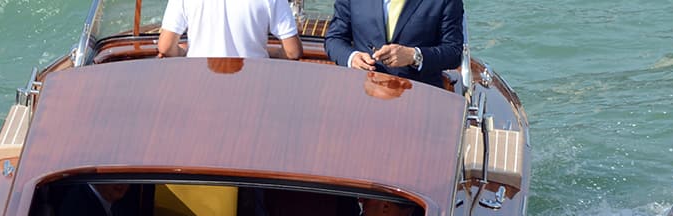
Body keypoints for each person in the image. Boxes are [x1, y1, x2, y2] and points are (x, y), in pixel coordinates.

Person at [324, 0, 464, 87]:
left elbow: (453, 52)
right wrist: (352, 57)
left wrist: (414, 56)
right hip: (362, 92)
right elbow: (334, 38)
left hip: (419, 95)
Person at [158, 0, 303, 60]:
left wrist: (185, 52)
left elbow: (165, 47)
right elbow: (293, 51)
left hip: (199, 84)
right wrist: (272, 52)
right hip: (253, 85)